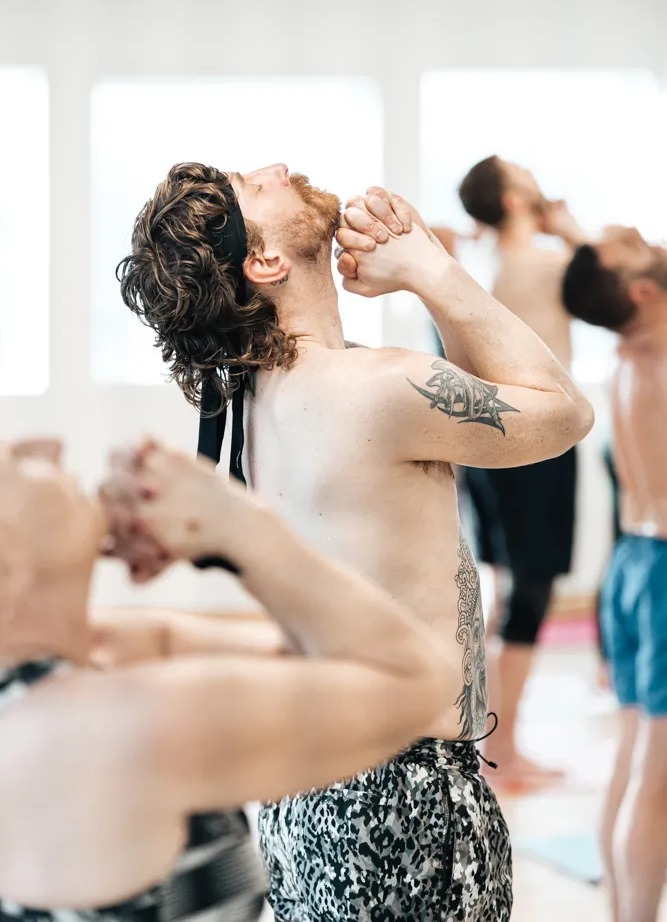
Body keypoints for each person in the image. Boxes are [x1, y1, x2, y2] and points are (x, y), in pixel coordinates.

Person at [118, 162, 594, 922]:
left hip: (302, 783)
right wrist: (432, 272)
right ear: (264, 262)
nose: (276, 168)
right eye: (255, 183)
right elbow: (563, 414)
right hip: (397, 795)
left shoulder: (256, 397)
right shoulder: (369, 389)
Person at [0, 437, 447, 920]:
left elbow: (319, 657)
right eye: (13, 461)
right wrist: (234, 522)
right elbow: (419, 679)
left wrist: (210, 528)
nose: (47, 445)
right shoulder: (105, 726)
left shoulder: (88, 661)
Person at [442, 154, 588, 784]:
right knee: (532, 587)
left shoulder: (494, 264)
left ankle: (496, 741)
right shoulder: (540, 263)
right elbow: (617, 282)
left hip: (496, 444)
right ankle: (506, 749)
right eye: (518, 172)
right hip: (534, 442)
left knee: (510, 589)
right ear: (510, 199)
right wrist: (572, 231)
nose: (532, 171)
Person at [562, 227, 667, 922]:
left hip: (633, 559)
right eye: (630, 246)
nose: (639, 234)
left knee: (633, 758)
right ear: (638, 291)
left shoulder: (627, 354)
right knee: (655, 779)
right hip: (661, 572)